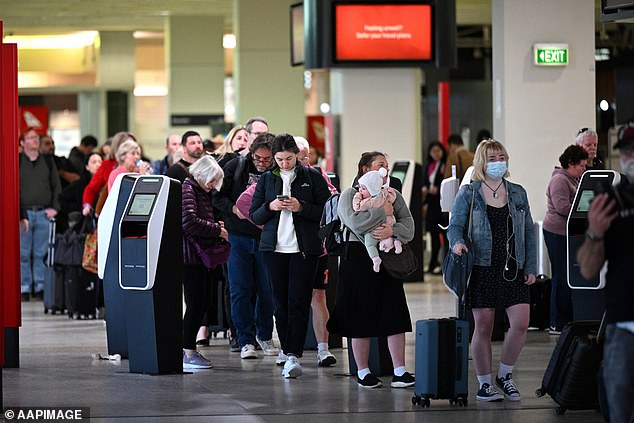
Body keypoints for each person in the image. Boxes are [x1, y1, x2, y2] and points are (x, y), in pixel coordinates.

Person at [448, 139, 536, 402]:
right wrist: (457, 243)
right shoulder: (470, 192)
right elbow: (455, 226)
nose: (498, 162)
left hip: (513, 266)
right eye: (492, 158)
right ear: (481, 162)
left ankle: (505, 375)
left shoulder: (518, 192)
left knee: (521, 323)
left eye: (501, 157)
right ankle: (485, 383)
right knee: (483, 327)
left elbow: (529, 232)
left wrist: (530, 266)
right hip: (482, 267)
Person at [327, 151, 415, 389]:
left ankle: (400, 370)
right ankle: (363, 371)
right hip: (357, 259)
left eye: (387, 165)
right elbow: (355, 223)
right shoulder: (349, 195)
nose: (385, 169)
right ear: (365, 170)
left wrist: (392, 231)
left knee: (394, 313)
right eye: (380, 165)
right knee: (359, 315)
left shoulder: (393, 195)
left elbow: (409, 226)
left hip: (387, 260)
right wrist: (382, 209)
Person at [250, 134, 330, 378]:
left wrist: (301, 207)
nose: (284, 164)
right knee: (280, 303)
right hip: (273, 250)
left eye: (289, 159)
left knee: (298, 301)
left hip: (304, 250)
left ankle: (293, 355)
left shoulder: (313, 177)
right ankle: (286, 348)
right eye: (280, 159)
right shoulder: (265, 180)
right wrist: (270, 207)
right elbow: (255, 215)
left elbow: (327, 211)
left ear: (297, 155)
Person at [577, 122, 634, 423]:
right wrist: (596, 233)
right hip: (623, 326)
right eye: (627, 150)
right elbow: (588, 268)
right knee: (619, 408)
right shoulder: (609, 202)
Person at [212, 134, 278, 358]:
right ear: (251, 153)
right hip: (237, 236)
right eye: (257, 158)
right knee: (240, 289)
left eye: (267, 159)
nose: (261, 162)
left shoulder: (277, 172)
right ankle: (245, 340)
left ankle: (265, 335)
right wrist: (232, 209)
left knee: (266, 291)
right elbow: (217, 196)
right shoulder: (236, 166)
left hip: (266, 237)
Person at [295, 136, 338, 367]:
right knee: (289, 298)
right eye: (300, 155)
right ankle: (290, 350)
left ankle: (323, 348)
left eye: (307, 155)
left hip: (316, 248)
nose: (305, 159)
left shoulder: (318, 175)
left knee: (318, 295)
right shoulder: (275, 178)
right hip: (288, 249)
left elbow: (331, 203)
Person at [181, 155, 227, 369]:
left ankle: (189, 350)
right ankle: (187, 350)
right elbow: (189, 222)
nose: (213, 185)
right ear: (201, 174)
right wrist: (217, 229)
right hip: (191, 258)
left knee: (203, 302)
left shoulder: (199, 190)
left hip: (200, 257)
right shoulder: (188, 188)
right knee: (196, 302)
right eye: (211, 180)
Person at [543, 145, 588, 334]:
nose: (584, 169)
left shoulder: (573, 179)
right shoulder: (560, 180)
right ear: (570, 164)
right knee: (561, 277)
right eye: (582, 165)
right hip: (557, 233)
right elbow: (562, 207)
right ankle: (557, 322)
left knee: (566, 276)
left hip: (567, 233)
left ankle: (566, 318)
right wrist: (584, 208)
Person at [18, 127, 62, 301]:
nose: (35, 140)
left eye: (36, 137)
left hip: (43, 212)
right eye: (30, 137)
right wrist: (20, 213)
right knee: (23, 253)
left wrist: (55, 208)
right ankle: (24, 287)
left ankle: (41, 286)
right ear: (22, 143)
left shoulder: (48, 162)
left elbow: (56, 187)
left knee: (41, 253)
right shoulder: (18, 161)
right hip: (25, 214)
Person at [353, 168, 402, 272]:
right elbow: (393, 198)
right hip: (390, 223)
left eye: (363, 188)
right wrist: (391, 192)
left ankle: (375, 259)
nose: (360, 190)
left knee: (369, 243)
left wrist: (357, 196)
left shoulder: (369, 202)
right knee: (393, 233)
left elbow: (357, 207)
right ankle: (397, 242)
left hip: (376, 228)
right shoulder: (384, 194)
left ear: (371, 189)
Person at [82, 132, 136, 216]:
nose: (133, 148)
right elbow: (91, 188)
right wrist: (87, 205)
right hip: (111, 211)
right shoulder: (107, 165)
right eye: (128, 145)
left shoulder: (139, 165)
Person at [422, 141, 448, 274]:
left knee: (443, 234)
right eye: (433, 151)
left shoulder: (445, 165)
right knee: (433, 234)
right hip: (431, 203)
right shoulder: (428, 166)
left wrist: (436, 189)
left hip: (441, 203)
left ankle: (443, 264)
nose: (436, 154)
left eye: (438, 151)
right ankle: (433, 263)